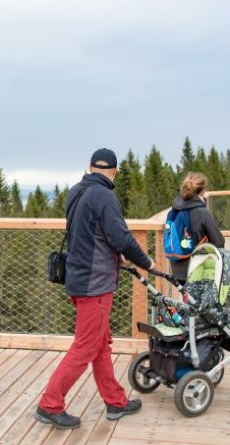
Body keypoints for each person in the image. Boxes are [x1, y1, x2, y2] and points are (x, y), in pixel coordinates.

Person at [34, 148, 155, 429]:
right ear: (114, 171)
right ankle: (49, 404)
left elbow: (91, 233)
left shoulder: (76, 191)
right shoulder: (105, 196)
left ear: (90, 167)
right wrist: (145, 261)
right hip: (95, 285)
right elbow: (121, 236)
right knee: (86, 346)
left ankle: (115, 402)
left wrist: (114, 252)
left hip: (78, 278)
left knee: (100, 344)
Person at [169, 172, 225, 284]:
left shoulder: (175, 209)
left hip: (176, 268)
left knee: (185, 299)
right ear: (203, 191)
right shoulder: (202, 213)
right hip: (197, 269)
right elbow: (219, 242)